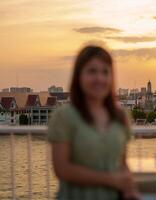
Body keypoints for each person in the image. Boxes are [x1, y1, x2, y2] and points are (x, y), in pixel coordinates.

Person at [48, 45, 139, 200]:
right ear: (79, 76)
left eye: (105, 72)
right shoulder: (64, 116)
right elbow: (62, 169)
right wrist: (110, 180)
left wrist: (129, 189)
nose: (100, 78)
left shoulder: (120, 116)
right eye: (92, 71)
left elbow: (121, 164)